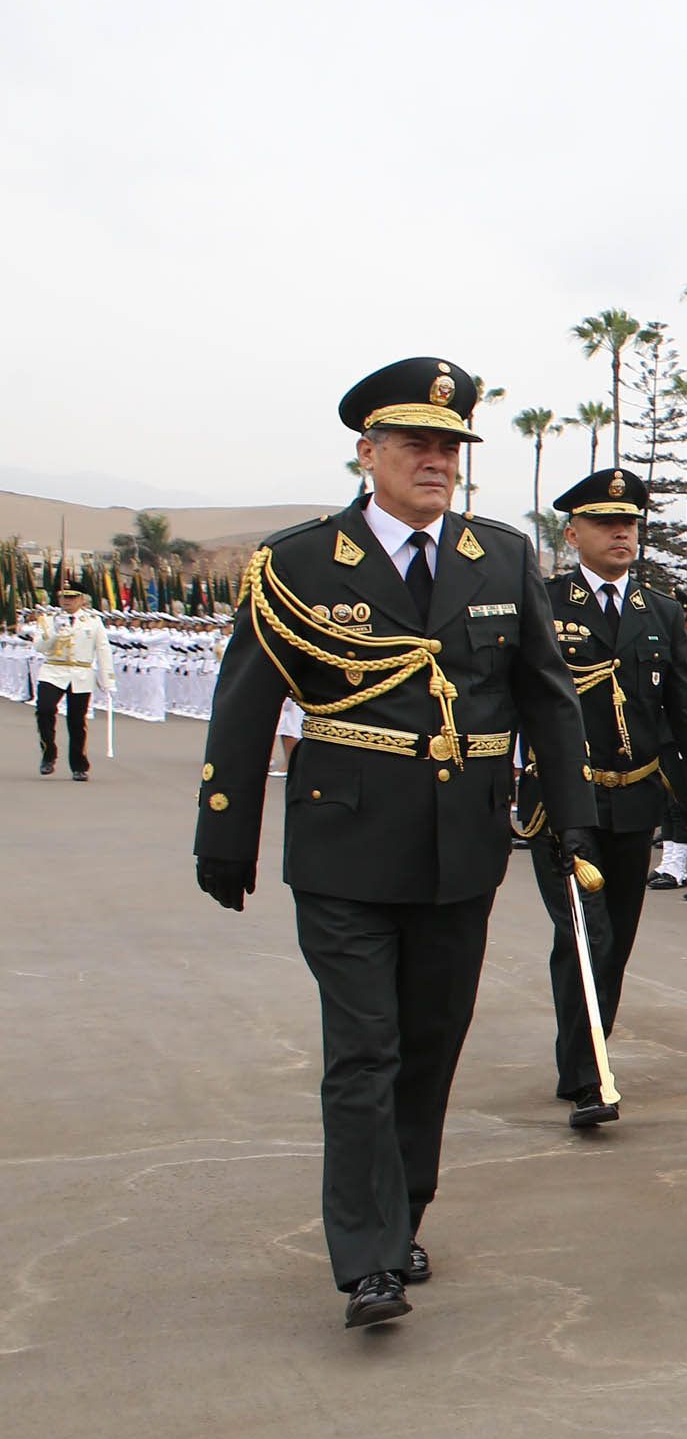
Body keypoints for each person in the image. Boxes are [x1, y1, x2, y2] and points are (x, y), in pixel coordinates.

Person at [193, 357, 596, 1329]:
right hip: (344, 839)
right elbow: (247, 701)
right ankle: (367, 1253)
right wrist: (225, 829)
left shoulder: (499, 558)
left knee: (429, 1041)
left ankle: (404, 1206)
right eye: (415, 442)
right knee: (362, 1046)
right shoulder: (297, 563)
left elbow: (546, 692)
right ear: (366, 451)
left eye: (450, 445)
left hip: (462, 842)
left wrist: (570, 814)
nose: (437, 460)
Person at [525, 468, 687, 1128]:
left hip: (634, 801)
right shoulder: (545, 603)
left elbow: (686, 715)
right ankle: (592, 1075)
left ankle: (577, 1055)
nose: (621, 533)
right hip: (561, 802)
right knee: (589, 933)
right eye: (606, 523)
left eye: (630, 523)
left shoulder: (660, 613)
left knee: (615, 938)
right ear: (572, 531)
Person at [32, 581, 112, 780]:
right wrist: (53, 633)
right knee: (44, 709)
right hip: (53, 670)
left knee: (77, 721)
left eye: (71, 597)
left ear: (82, 599)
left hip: (80, 673)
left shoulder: (93, 621)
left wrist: (108, 679)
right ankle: (49, 752)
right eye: (63, 597)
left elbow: (103, 650)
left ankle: (79, 765)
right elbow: (39, 646)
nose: (66, 601)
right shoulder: (50, 619)